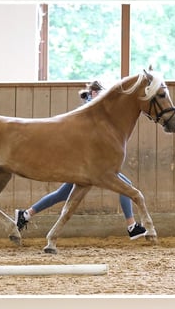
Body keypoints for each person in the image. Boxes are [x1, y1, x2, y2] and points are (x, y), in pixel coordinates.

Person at [15, 81, 147, 240]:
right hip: (88, 165)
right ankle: (131, 225)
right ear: (93, 94)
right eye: (101, 93)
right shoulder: (91, 110)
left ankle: (26, 214)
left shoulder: (95, 111)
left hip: (85, 165)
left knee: (61, 194)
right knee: (126, 186)